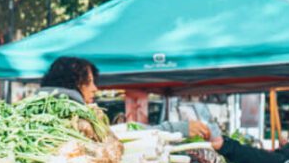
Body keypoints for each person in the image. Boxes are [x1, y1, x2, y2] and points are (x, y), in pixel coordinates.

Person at [40, 56, 212, 139]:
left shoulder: (66, 114)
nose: (95, 89)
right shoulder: (67, 119)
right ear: (73, 82)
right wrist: (175, 129)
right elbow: (118, 137)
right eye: (89, 82)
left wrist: (175, 128)